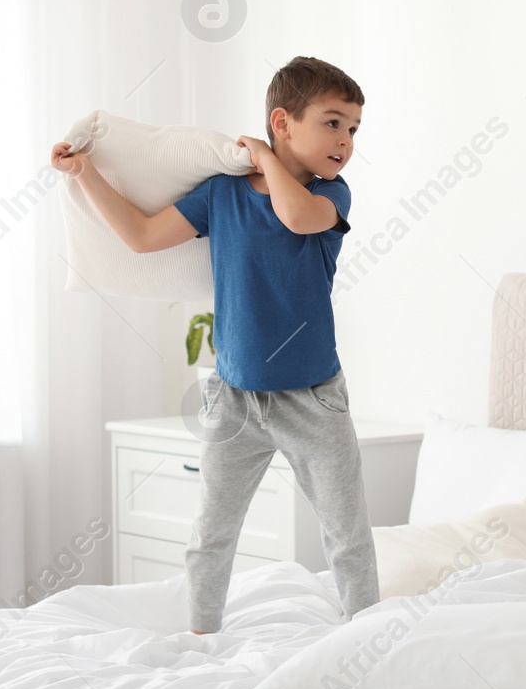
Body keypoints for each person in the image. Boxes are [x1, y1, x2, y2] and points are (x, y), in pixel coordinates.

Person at [50, 56, 377, 635]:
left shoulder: (333, 196)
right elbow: (143, 237)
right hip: (234, 400)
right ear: (284, 120)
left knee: (346, 533)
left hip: (314, 400)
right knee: (211, 532)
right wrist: (85, 175)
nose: (345, 140)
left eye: (353, 129)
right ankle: (202, 636)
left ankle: (370, 636)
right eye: (332, 122)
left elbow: (297, 219)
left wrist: (262, 156)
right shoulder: (221, 195)